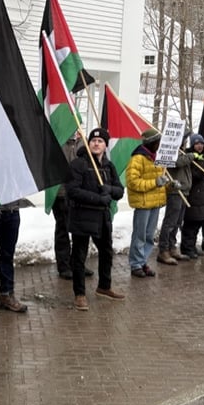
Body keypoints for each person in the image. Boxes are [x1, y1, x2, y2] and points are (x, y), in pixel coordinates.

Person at [65, 128, 125, 311]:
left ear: (105, 145)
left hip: (102, 217)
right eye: (93, 140)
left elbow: (120, 191)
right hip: (83, 215)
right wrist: (98, 198)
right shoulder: (78, 164)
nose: (96, 143)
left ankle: (104, 287)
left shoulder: (108, 166)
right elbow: (73, 191)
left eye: (100, 141)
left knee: (106, 252)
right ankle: (80, 294)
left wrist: (109, 190)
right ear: (88, 143)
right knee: (79, 256)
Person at [127, 128, 169, 277]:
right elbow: (133, 182)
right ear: (151, 143)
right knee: (140, 235)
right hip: (143, 203)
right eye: (158, 142)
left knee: (149, 235)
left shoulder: (158, 158)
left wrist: (170, 185)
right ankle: (135, 264)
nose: (160, 145)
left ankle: (142, 261)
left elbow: (160, 180)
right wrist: (155, 183)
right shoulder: (137, 159)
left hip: (155, 203)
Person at [53, 132, 93, 280]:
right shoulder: (57, 140)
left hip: (80, 194)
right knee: (63, 230)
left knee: (80, 231)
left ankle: (77, 263)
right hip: (61, 193)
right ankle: (64, 266)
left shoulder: (84, 141)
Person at [157, 144, 193, 265]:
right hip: (175, 191)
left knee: (177, 222)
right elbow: (176, 162)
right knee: (170, 222)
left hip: (184, 191)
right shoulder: (170, 150)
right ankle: (163, 250)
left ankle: (172, 247)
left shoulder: (182, 152)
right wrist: (190, 156)